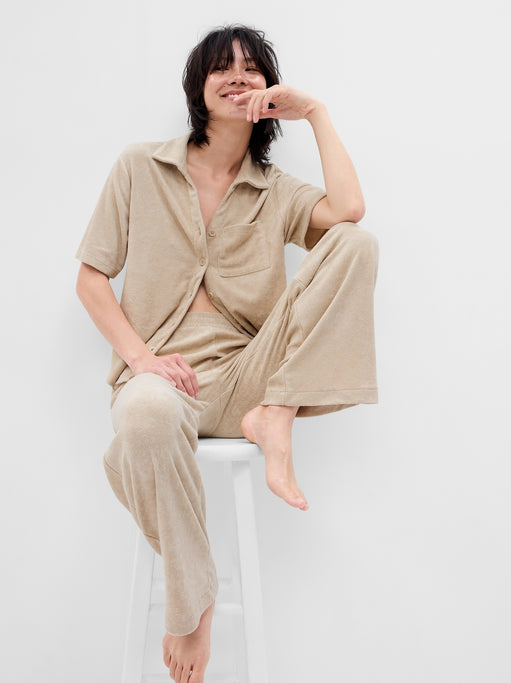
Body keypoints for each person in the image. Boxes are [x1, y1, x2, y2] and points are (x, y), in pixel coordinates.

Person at [75, 23, 378, 683]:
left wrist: (316, 112)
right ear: (199, 85)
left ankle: (277, 411)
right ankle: (195, 598)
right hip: (165, 379)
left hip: (249, 378)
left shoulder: (277, 190)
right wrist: (142, 360)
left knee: (355, 243)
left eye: (251, 67)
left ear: (269, 89)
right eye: (222, 66)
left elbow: (350, 209)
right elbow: (91, 278)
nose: (237, 75)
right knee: (144, 414)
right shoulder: (140, 166)